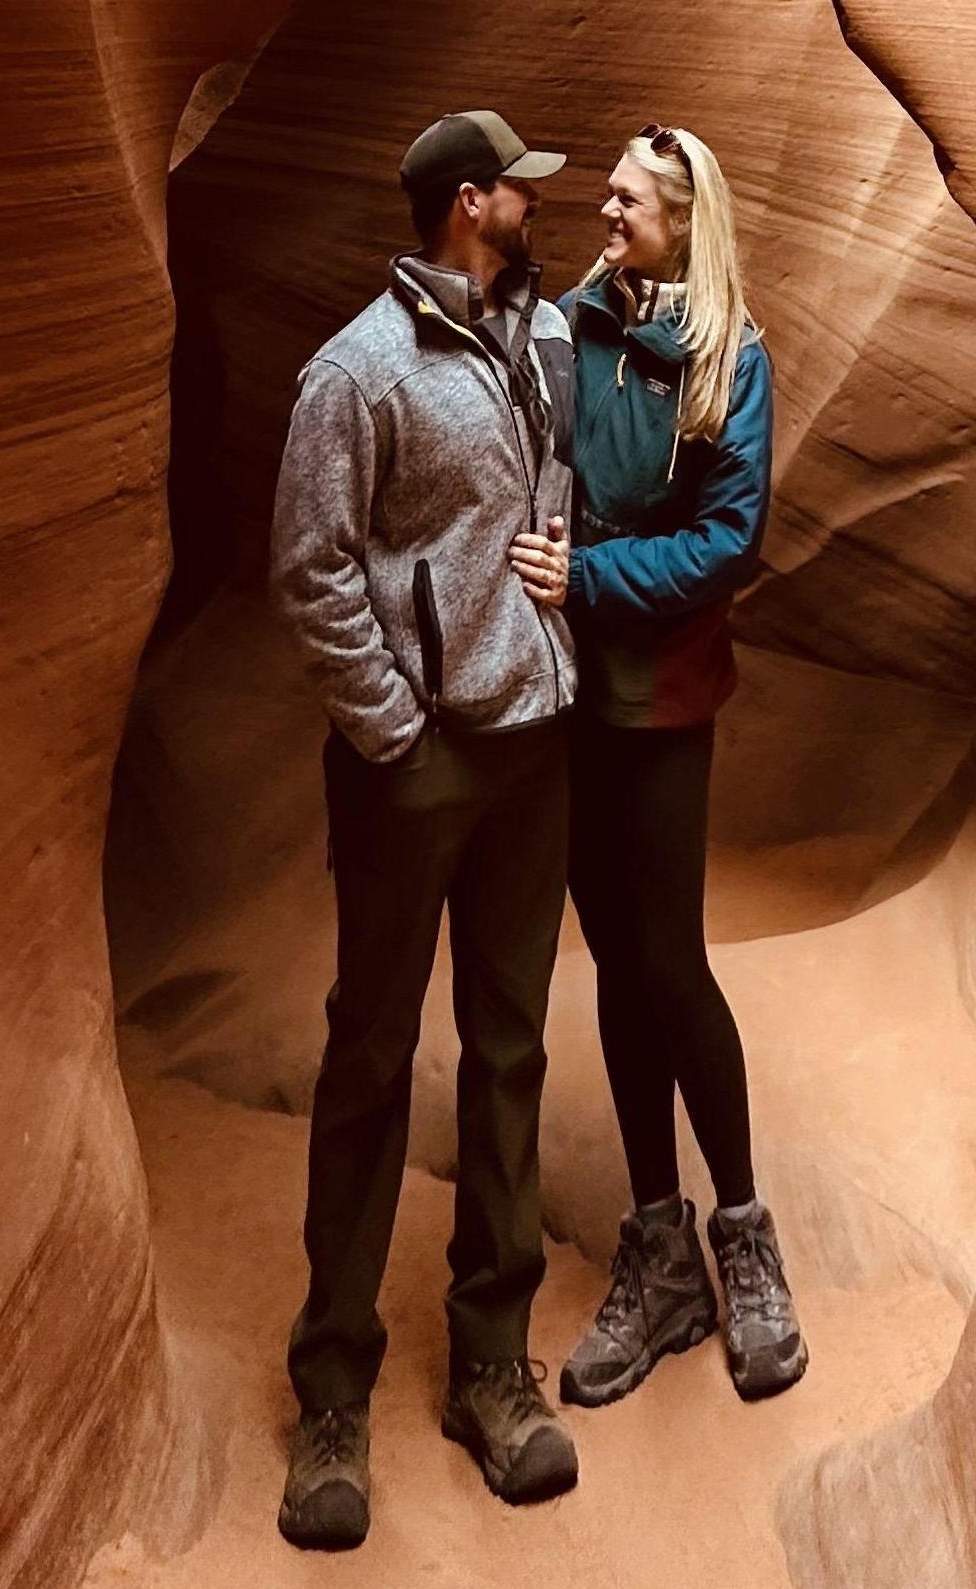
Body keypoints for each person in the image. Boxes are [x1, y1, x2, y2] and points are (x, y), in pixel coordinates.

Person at [266, 109, 588, 1549]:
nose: (533, 205)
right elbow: (310, 566)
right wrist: (398, 730)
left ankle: (491, 1367)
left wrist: (565, 578)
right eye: (517, 191)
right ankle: (333, 1388)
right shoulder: (357, 373)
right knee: (372, 1058)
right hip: (420, 764)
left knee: (510, 1052)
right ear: (469, 203)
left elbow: (557, 487)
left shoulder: (542, 340)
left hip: (534, 753)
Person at [515, 121, 808, 1410]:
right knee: (618, 969)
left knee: (670, 962)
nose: (606, 213)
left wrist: (583, 578)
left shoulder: (730, 358)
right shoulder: (570, 329)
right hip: (569, 695)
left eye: (628, 201)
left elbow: (726, 540)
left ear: (685, 222)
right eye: (608, 196)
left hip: (660, 700)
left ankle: (742, 1234)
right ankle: (659, 1251)